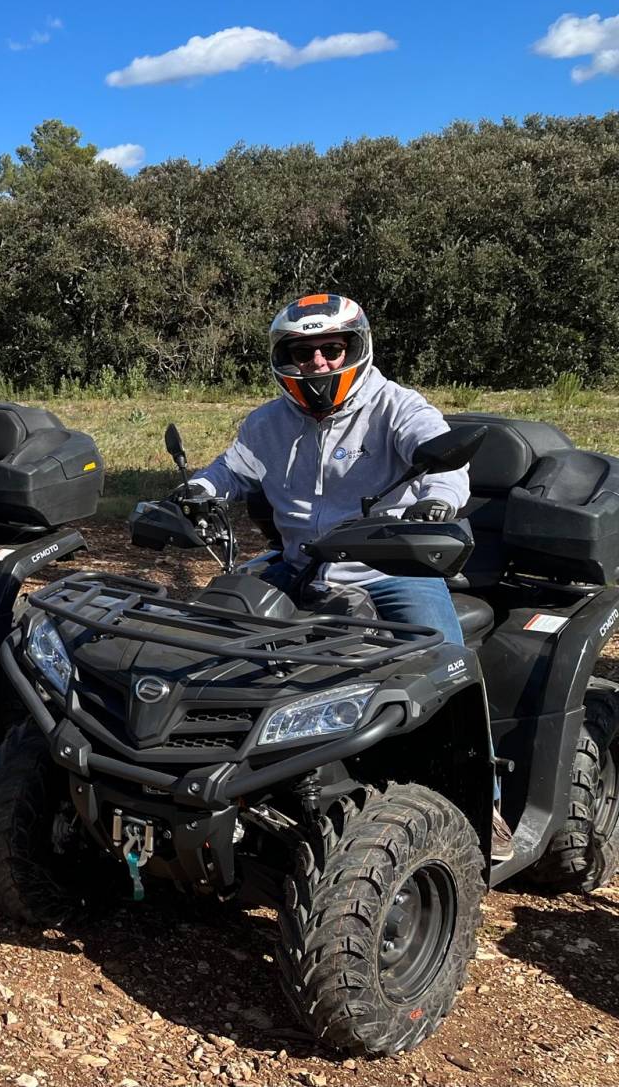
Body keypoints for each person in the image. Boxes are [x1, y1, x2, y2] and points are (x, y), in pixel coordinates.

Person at [175, 293, 510, 856]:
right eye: (303, 353)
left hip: (389, 567)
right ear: (285, 359)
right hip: (298, 562)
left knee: (448, 664)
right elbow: (229, 471)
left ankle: (487, 799)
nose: (319, 363)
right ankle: (211, 770)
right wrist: (200, 491)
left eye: (331, 349)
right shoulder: (268, 422)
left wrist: (437, 505)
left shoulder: (397, 407)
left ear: (355, 347)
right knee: (211, 633)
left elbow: (444, 462)